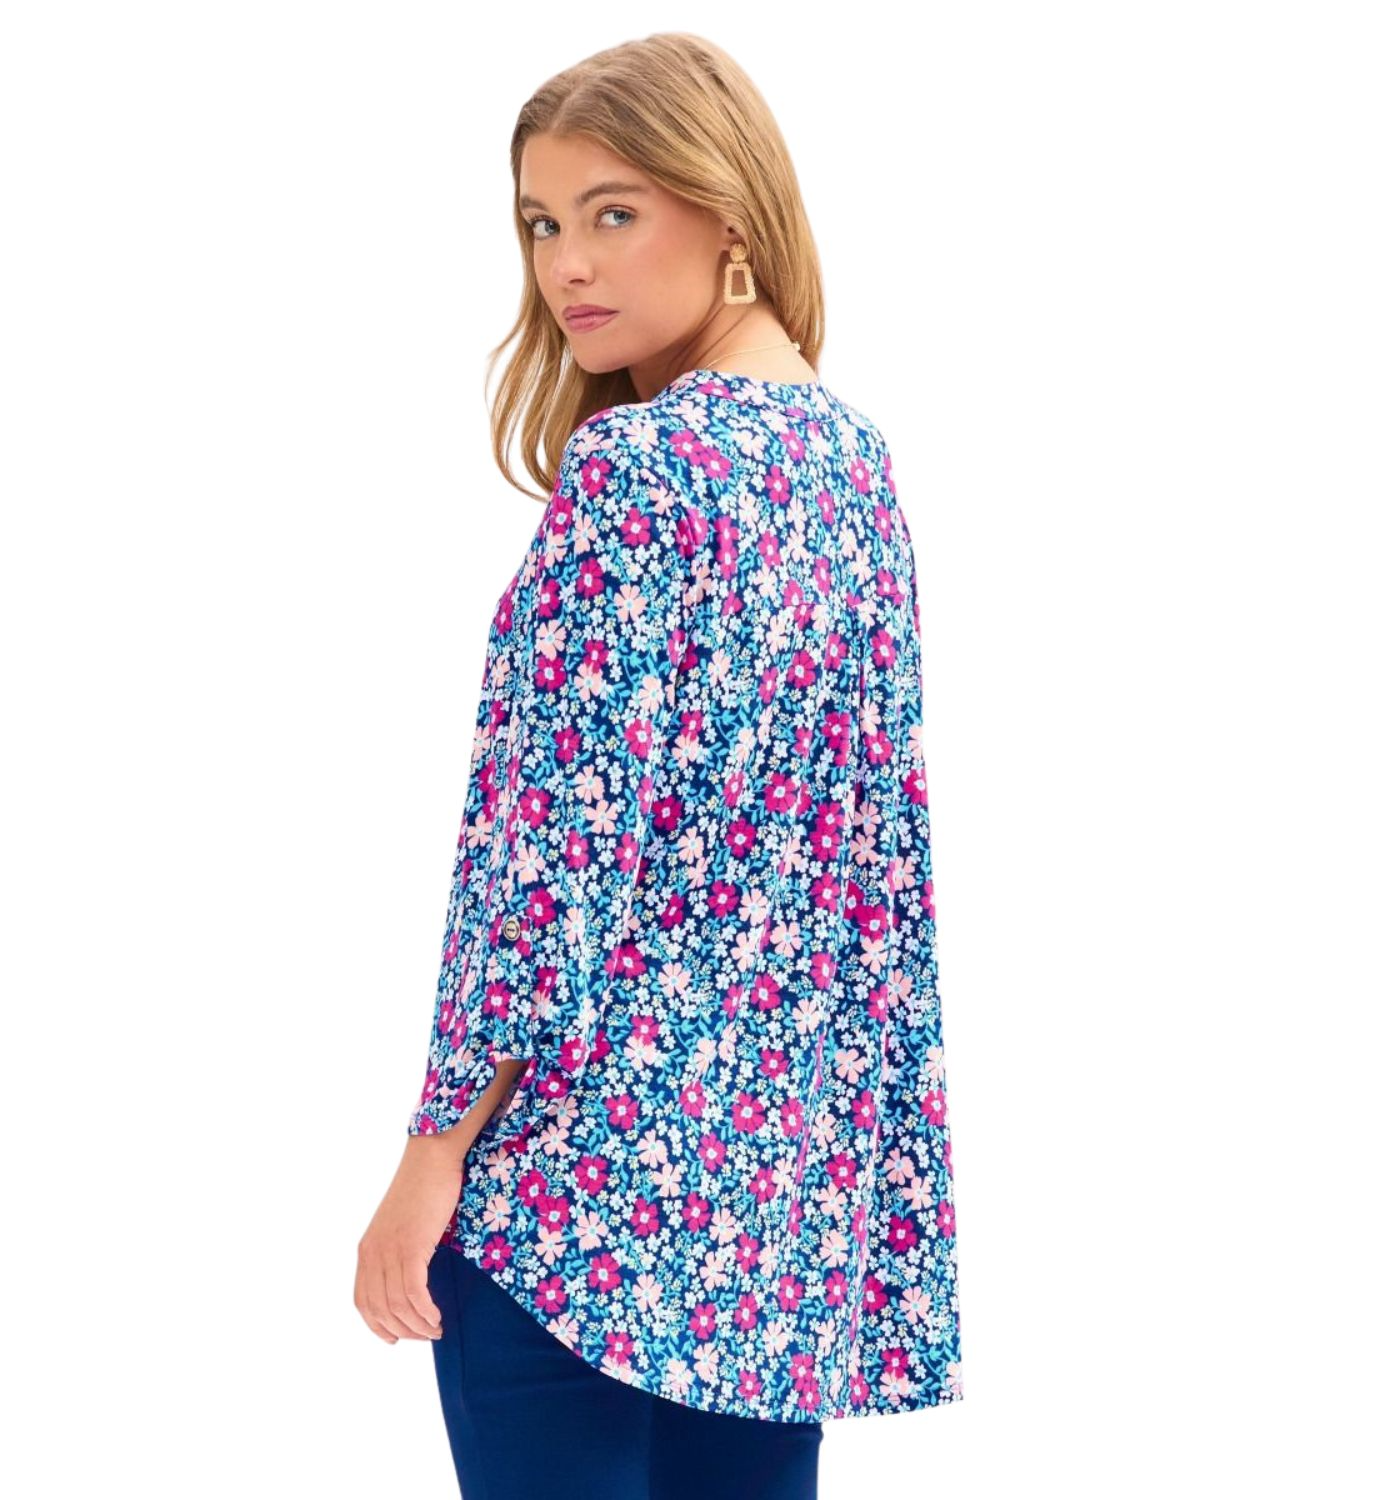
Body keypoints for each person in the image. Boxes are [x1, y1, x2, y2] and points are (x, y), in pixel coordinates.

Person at [355, 32, 963, 1499]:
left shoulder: (638, 470)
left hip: (578, 1205)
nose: (567, 264)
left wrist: (432, 1154)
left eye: (613, 213)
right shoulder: (853, 466)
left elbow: (543, 862)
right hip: (782, 1205)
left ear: (731, 213)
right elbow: (866, 872)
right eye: (541, 223)